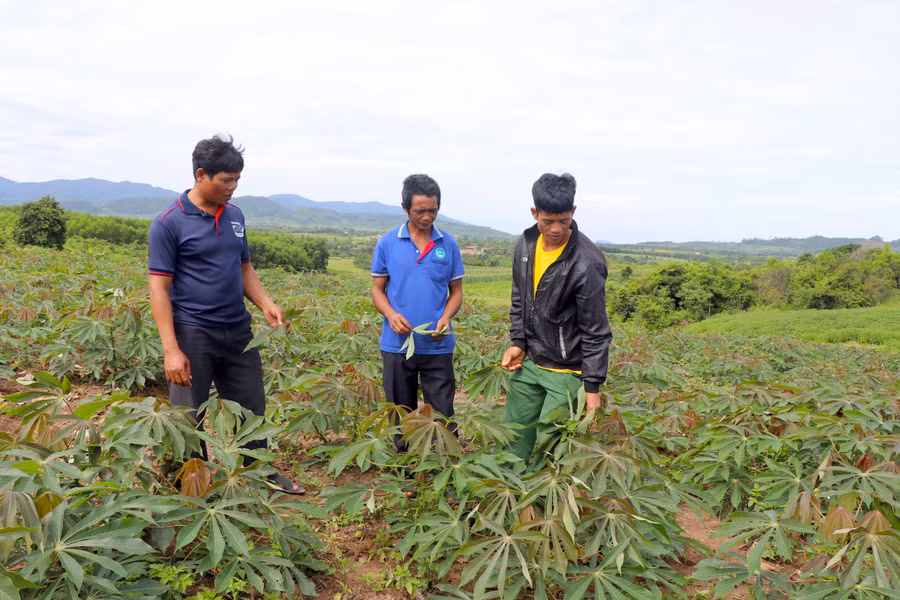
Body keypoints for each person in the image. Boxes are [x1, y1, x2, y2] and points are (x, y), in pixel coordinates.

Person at [147, 134, 303, 494]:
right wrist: (171, 348)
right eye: (226, 181)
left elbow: (244, 267)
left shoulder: (235, 216)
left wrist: (265, 303)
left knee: (251, 406)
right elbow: (159, 288)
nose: (232, 188)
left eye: (236, 180)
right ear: (201, 175)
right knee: (189, 414)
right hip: (193, 333)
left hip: (237, 331)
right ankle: (191, 483)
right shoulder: (169, 222)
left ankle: (259, 472)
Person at [500, 173, 612, 465]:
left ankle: (539, 507)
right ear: (535, 213)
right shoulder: (525, 246)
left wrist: (592, 388)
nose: (556, 229)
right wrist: (518, 341)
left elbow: (595, 329)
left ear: (573, 212)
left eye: (563, 220)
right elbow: (520, 298)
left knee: (547, 448)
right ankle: (509, 496)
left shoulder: (587, 262)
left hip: (566, 369)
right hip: (530, 360)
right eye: (547, 221)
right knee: (513, 436)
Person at [370, 174, 464, 450]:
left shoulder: (448, 244)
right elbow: (377, 289)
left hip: (437, 345)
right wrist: (391, 315)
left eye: (432, 210)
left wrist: (446, 318)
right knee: (402, 412)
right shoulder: (388, 243)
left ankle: (444, 467)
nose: (427, 216)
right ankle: (408, 471)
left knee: (442, 414)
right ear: (404, 208)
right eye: (420, 211)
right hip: (398, 345)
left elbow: (456, 292)